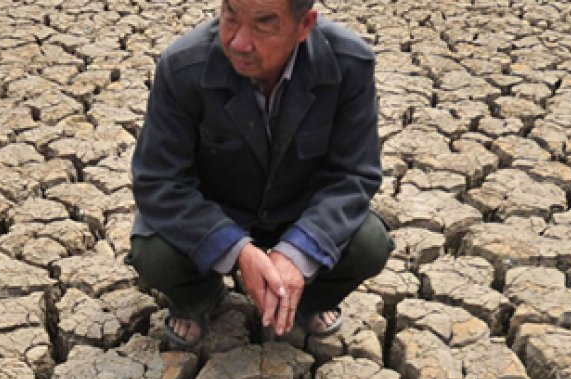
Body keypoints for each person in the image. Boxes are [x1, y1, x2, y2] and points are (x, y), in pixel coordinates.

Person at [129, 0, 389, 349]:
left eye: (264, 24)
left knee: (369, 244)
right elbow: (159, 181)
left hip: (299, 211)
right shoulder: (183, 66)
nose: (239, 42)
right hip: (217, 211)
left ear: (305, 24)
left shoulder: (347, 63)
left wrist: (299, 252)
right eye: (230, 17)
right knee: (154, 254)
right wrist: (236, 250)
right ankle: (200, 298)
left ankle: (304, 300)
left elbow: (355, 175)